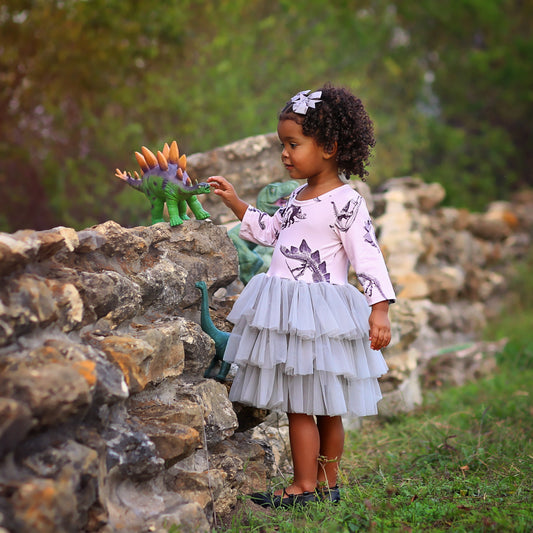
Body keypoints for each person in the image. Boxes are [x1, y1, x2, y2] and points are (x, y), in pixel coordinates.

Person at [207, 84, 396, 508]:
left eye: (293, 144)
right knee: (308, 404)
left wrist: (379, 308)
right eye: (282, 145)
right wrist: (237, 203)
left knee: (316, 407)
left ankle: (309, 486)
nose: (284, 154)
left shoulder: (346, 201)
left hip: (320, 313)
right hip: (289, 311)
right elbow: (274, 235)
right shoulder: (296, 197)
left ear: (328, 146)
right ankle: (319, 486)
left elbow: (367, 257)